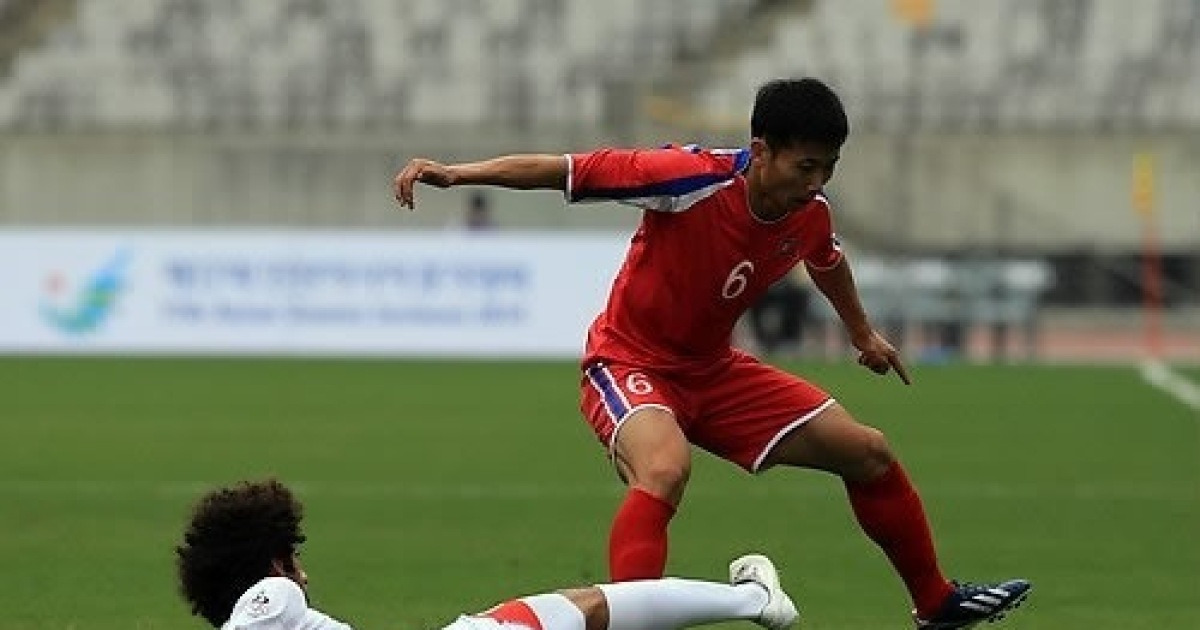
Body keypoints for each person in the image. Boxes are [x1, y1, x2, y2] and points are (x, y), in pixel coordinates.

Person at [391, 77, 1031, 629]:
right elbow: (565, 170)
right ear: (761, 151)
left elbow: (827, 260)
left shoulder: (808, 212)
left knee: (868, 451)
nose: (816, 183)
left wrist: (862, 333)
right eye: (804, 166)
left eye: (828, 168)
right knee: (664, 469)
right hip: (628, 362)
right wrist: (457, 172)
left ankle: (935, 603)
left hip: (713, 371)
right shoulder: (687, 178)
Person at [175, 478, 799, 630]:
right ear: (272, 563)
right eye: (294, 557)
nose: (303, 574)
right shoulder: (272, 598)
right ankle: (754, 600)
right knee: (582, 609)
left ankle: (755, 600)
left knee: (571, 611)